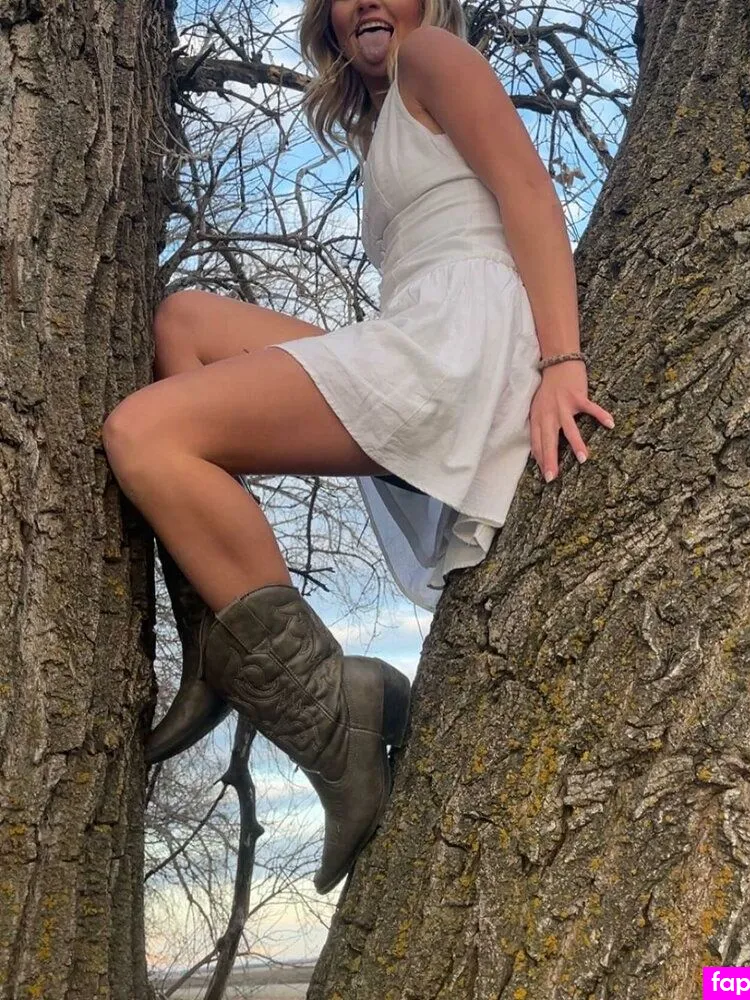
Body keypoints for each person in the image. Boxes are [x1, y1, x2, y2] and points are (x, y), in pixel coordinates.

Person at [101, 0, 614, 896]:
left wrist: (562, 361)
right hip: (416, 328)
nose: (368, 0)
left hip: (459, 343)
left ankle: (330, 709)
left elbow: (530, 193)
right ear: (329, 23)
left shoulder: (437, 56)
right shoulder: (383, 123)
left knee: (143, 432)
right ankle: (223, 646)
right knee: (184, 322)